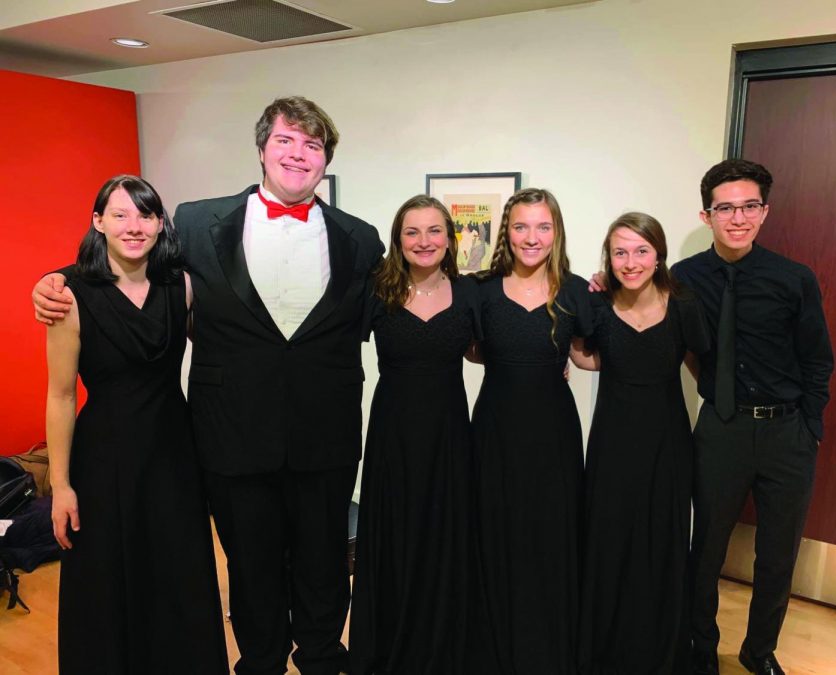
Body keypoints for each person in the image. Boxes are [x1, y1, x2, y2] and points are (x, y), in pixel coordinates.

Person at [34, 97, 384, 675]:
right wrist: (51, 281)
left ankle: (322, 658)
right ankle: (261, 662)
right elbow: (127, 265)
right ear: (262, 149)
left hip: (327, 434)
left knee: (324, 565)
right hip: (231, 437)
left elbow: (401, 298)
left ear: (326, 159)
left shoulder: (361, 237)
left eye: (312, 145)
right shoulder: (197, 223)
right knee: (250, 568)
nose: (298, 155)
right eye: (286, 141)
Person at [46, 175, 228, 674]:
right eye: (120, 214)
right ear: (98, 221)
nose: (134, 226)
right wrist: (60, 486)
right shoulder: (69, 296)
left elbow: (223, 352)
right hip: (104, 458)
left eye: (145, 214)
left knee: (178, 577)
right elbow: (61, 396)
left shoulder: (182, 286)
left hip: (173, 452)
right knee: (106, 581)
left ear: (159, 223)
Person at [673, 159, 833, 675]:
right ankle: (701, 645)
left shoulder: (794, 279)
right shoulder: (684, 278)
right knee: (707, 549)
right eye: (725, 208)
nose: (737, 218)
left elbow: (817, 358)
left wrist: (809, 429)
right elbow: (676, 341)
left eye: (748, 207)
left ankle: (759, 650)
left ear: (764, 212)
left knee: (778, 555)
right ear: (707, 214)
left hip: (788, 432)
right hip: (723, 429)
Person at [350, 195, 480, 675]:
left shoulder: (470, 294)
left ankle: (442, 644)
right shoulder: (376, 292)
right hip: (393, 433)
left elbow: (495, 345)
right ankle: (388, 643)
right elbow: (329, 343)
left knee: (444, 533)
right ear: (398, 239)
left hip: (449, 433)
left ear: (449, 238)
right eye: (412, 232)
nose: (423, 241)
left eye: (433, 231)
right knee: (395, 534)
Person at [574, 213, 709, 675]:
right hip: (612, 442)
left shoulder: (684, 304)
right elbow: (588, 356)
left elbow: (701, 368)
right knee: (609, 543)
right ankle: (607, 649)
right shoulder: (596, 305)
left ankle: (658, 650)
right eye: (620, 252)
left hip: (666, 445)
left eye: (640, 251)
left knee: (660, 545)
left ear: (658, 255)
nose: (630, 262)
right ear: (608, 259)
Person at [468, 187, 591, 675]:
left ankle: (547, 647)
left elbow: (588, 350)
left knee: (550, 536)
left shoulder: (580, 290)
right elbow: (470, 348)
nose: (532, 237)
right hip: (495, 429)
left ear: (556, 231)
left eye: (543, 226)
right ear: (506, 231)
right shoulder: (478, 289)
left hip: (553, 434)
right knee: (494, 532)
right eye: (521, 226)